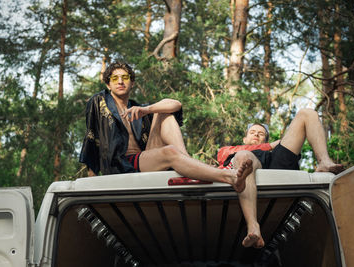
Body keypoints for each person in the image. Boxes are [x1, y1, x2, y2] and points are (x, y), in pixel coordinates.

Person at [79, 62, 260, 248]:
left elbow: (176, 104)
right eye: (114, 78)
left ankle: (190, 164)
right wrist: (92, 183)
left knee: (164, 113)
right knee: (169, 152)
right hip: (121, 164)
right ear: (108, 84)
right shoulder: (99, 102)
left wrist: (146, 110)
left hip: (143, 158)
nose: (120, 82)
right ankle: (228, 176)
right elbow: (92, 138)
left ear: (132, 83)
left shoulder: (137, 109)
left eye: (125, 78)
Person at [217, 109, 344, 248]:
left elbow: (281, 144)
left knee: (307, 113)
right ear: (244, 139)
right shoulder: (228, 149)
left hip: (273, 162)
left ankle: (324, 161)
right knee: (243, 156)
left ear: (265, 138)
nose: (256, 135)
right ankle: (253, 225)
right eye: (252, 132)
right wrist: (272, 144)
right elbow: (223, 155)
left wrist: (283, 142)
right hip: (248, 161)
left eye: (261, 133)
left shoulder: (270, 150)